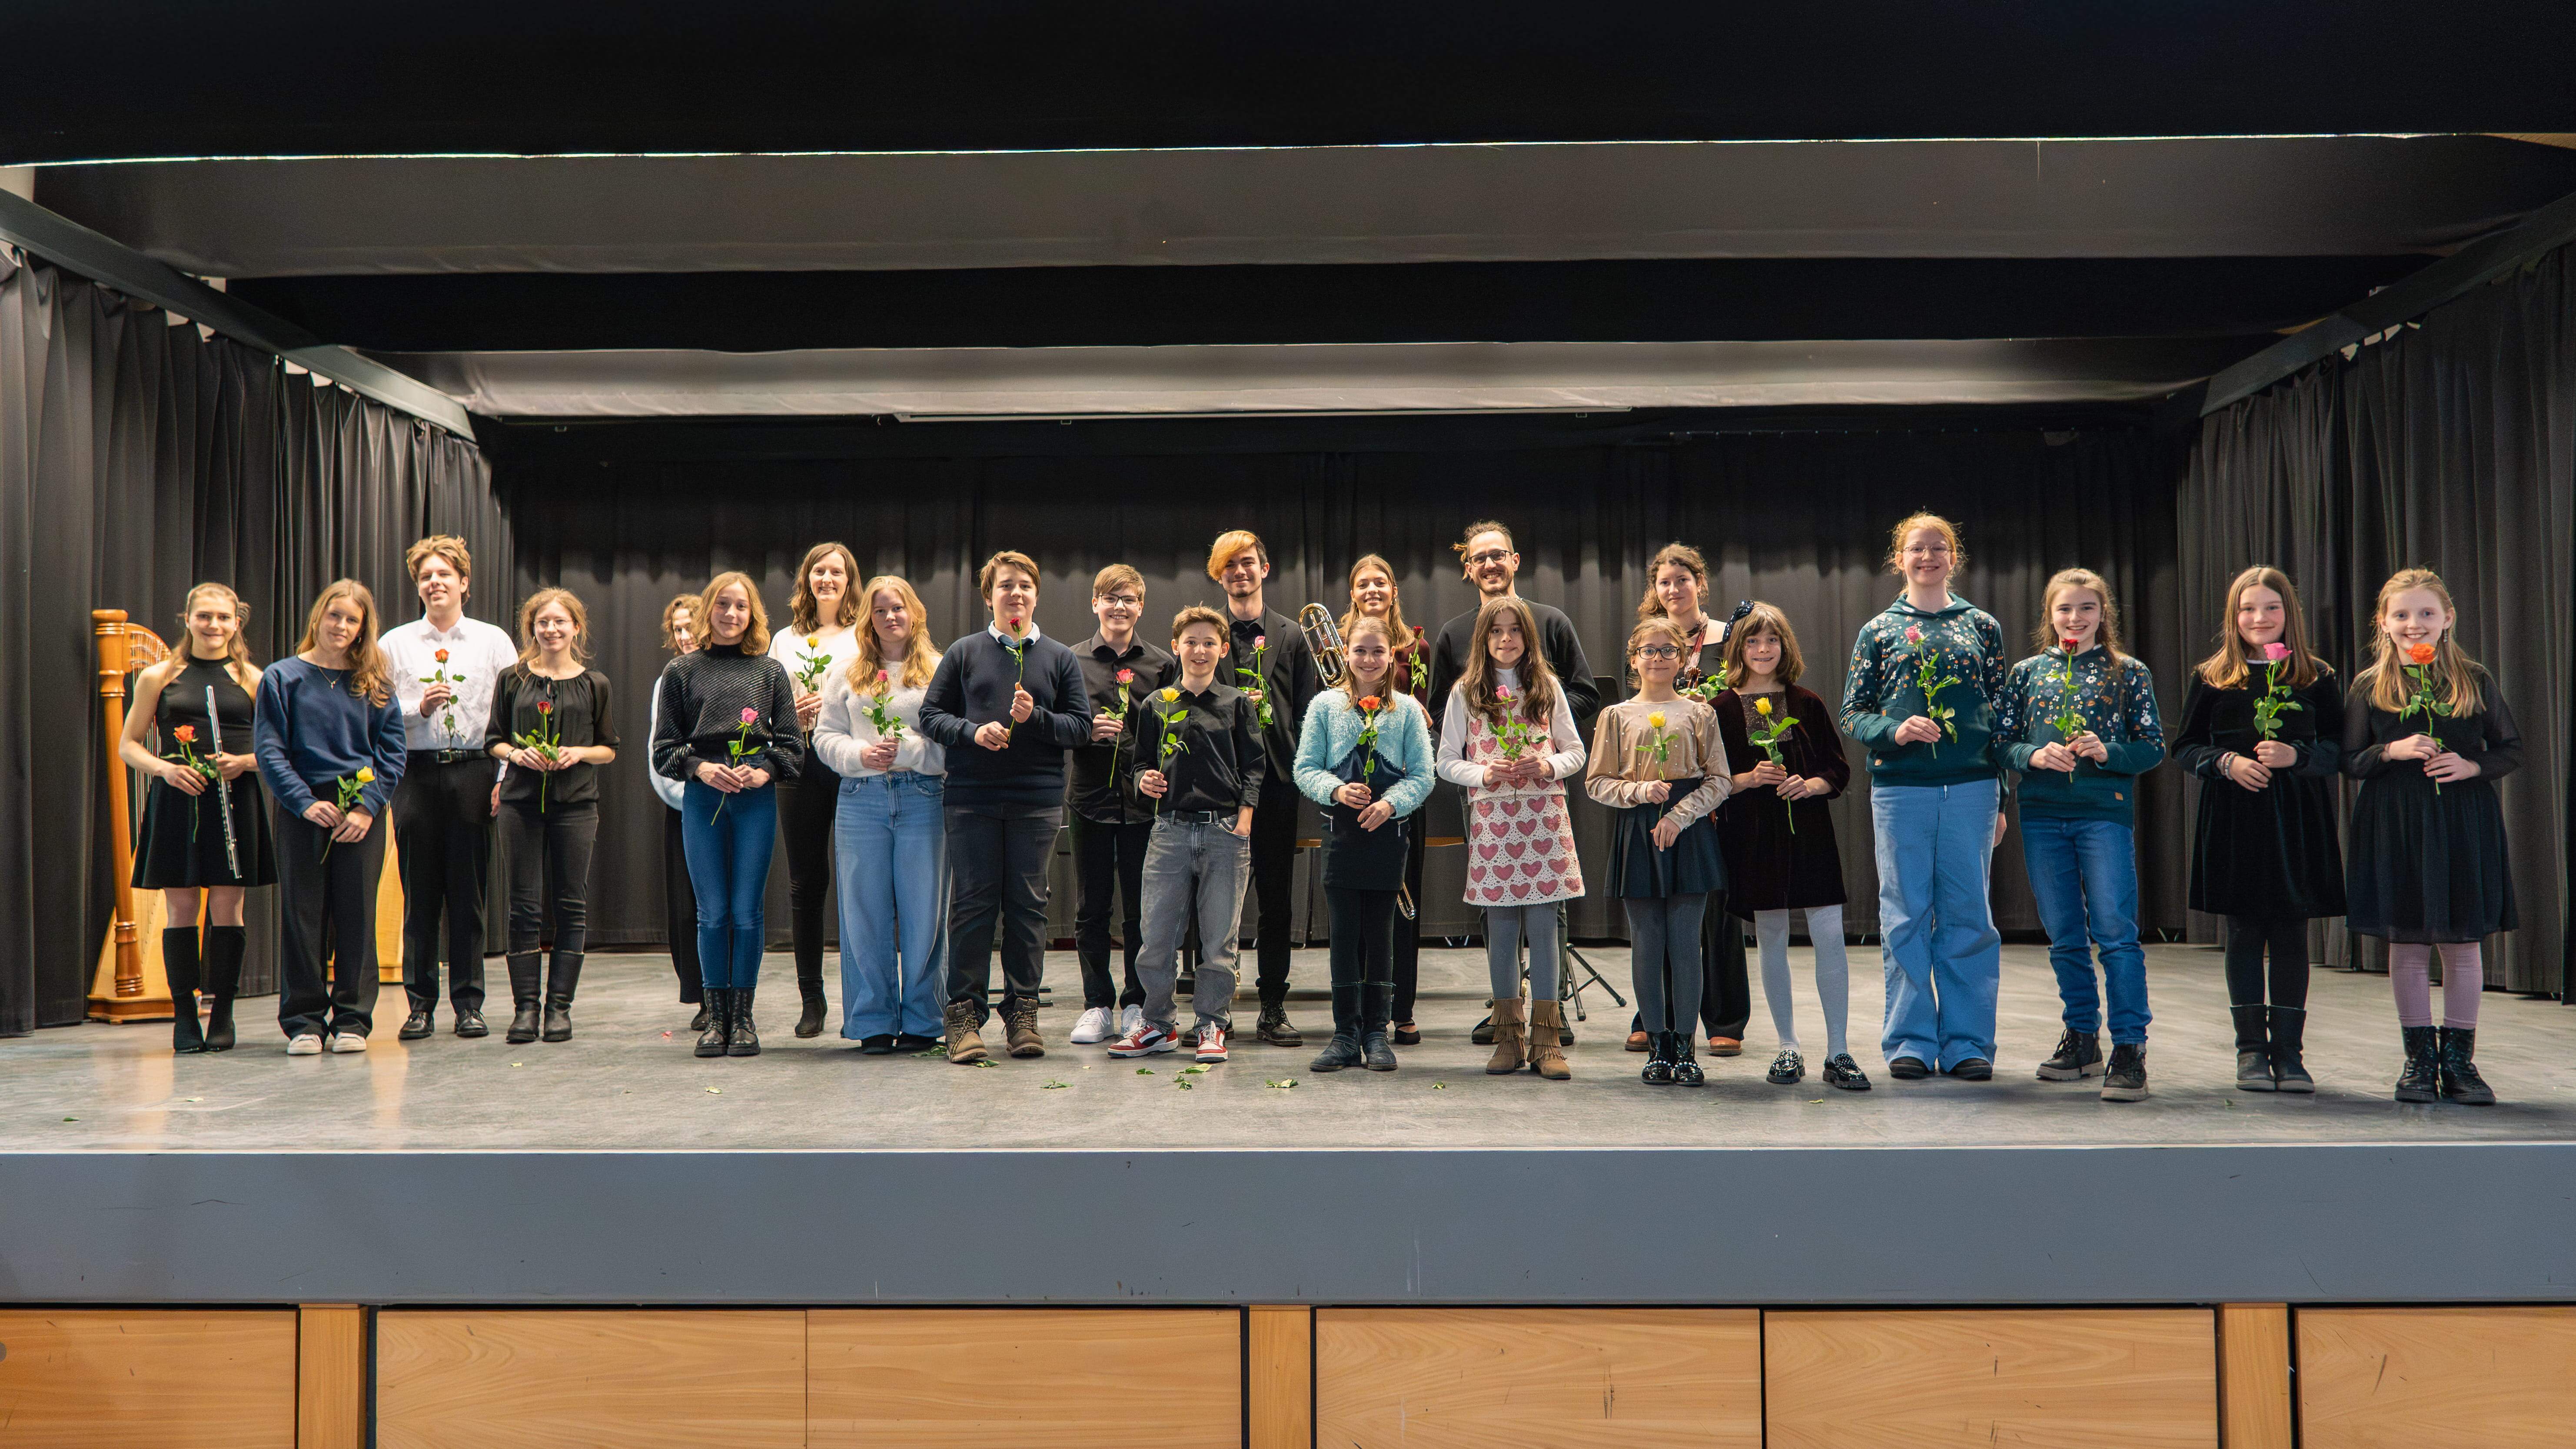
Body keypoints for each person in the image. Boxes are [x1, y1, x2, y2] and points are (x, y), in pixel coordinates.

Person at [1837, 513, 2009, 1081]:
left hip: (1972, 788)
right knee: (1904, 914)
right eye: (1916, 548)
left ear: (1953, 557)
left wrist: (2001, 798)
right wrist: (1894, 729)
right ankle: (1909, 1039)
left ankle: (1967, 1043)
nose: (1927, 556)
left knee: (1968, 915)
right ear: (1899, 558)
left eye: (1938, 547)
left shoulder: (1981, 625)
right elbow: (1851, 713)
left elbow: (2001, 717)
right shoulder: (1878, 630)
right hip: (1900, 791)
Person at [2343, 567, 2520, 1106]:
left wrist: (2471, 766)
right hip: (2395, 824)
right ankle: (2418, 1060)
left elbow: (2509, 748)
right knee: (2409, 942)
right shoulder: (2368, 684)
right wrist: (2389, 750)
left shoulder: (2472, 678)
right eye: (2400, 614)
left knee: (2462, 943)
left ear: (2447, 619)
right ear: (2383, 622)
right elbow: (2348, 759)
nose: (2413, 624)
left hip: (2462, 822)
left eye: (2425, 613)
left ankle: (2459, 1061)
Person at [1994, 569, 2166, 1102]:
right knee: (2064, 933)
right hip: (2042, 815)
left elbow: (2152, 745)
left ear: (2102, 613)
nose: (2075, 618)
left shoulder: (2127, 672)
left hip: (2101, 815)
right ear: (2049, 614)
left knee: (2115, 931)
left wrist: (2107, 751)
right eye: (2064, 608)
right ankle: (2081, 1037)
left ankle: (2129, 1047)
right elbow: (2000, 741)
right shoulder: (2026, 673)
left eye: (2086, 607)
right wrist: (2031, 755)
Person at [2171, 567, 2344, 1091]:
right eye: (2247, 608)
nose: (2258, 617)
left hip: (2296, 820)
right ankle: (2249, 1050)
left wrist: (2298, 755)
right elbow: (2184, 746)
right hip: (2233, 819)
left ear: (2288, 612)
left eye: (2270, 607)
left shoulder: (2315, 676)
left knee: (2290, 932)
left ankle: (2288, 1053)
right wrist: (2224, 762)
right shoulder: (2212, 676)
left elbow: (2340, 748)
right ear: (2233, 615)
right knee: (2243, 931)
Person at [919, 550, 1092, 1064]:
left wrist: (1035, 717)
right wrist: (972, 732)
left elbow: (1080, 728)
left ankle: (1022, 1012)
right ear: (988, 595)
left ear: (1036, 595)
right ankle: (963, 1016)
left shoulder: (1059, 657)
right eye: (1005, 585)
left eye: (1024, 585)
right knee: (972, 906)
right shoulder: (964, 652)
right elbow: (931, 716)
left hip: (1035, 801)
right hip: (971, 799)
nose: (1015, 593)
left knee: (1027, 907)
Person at [1706, 603, 1865, 1091]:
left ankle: (1838, 1049)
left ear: (1785, 646)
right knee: (1770, 934)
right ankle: (1787, 1046)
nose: (1762, 649)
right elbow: (1711, 780)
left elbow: (1837, 769)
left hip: (1809, 831)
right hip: (1752, 834)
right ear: (1738, 649)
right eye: (1752, 641)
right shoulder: (1720, 709)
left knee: (1828, 934)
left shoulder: (1807, 702)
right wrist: (1747, 778)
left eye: (1771, 640)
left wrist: (1811, 784)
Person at [120, 583, 276, 1053]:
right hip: (178, 798)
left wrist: (244, 762)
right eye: (204, 616)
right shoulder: (158, 676)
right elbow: (128, 745)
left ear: (237, 622)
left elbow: (277, 750)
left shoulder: (254, 678)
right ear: (187, 619)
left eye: (224, 617)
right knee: (182, 909)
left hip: (235, 797)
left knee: (228, 908)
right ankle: (185, 1016)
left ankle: (223, 1012)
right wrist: (165, 769)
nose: (214, 625)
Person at [653, 571, 803, 1058]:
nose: (731, 614)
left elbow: (792, 746)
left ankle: (743, 1018)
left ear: (752, 613)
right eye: (722, 604)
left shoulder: (770, 671)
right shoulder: (682, 671)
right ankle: (714, 1018)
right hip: (704, 798)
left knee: (746, 911)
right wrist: (700, 767)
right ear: (708, 611)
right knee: (713, 912)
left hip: (754, 798)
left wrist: (763, 772)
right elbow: (664, 750)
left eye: (741, 606)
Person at [1435, 595, 1585, 1079]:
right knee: (1500, 930)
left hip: (1543, 819)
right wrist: (1482, 773)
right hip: (1494, 822)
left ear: (1528, 636)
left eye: (1514, 630)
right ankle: (1508, 1038)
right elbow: (1446, 761)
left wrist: (1547, 764)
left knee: (1543, 929)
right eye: (1496, 631)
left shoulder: (1547, 686)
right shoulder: (1465, 691)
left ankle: (1546, 1041)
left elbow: (1575, 752)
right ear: (1483, 638)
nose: (1506, 638)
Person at [253, 580, 406, 1055]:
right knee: (302, 915)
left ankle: (353, 1020)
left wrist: (367, 806)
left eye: (352, 619)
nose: (341, 625)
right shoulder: (282, 677)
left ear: (363, 628)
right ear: (319, 616)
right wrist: (303, 801)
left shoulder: (374, 683)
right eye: (335, 615)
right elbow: (270, 749)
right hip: (303, 808)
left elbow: (392, 753)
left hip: (362, 810)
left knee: (357, 914)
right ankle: (304, 1022)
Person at [1109, 606, 1266, 1065]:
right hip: (1170, 831)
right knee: (1156, 936)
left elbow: (1254, 767)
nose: (1200, 650)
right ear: (1176, 647)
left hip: (1224, 832)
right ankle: (1158, 1024)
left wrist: (1244, 819)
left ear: (1223, 650)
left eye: (1209, 642)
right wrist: (1143, 779)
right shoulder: (1156, 704)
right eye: (1191, 642)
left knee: (1219, 942)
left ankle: (1211, 1024)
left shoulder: (1237, 703)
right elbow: (1138, 761)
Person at [1586, 618, 1732, 1085]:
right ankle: (1656, 1046)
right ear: (1633, 659)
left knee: (1686, 942)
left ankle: (1686, 1048)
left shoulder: (1700, 713)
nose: (1657, 658)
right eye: (1647, 650)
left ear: (1681, 659)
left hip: (1688, 830)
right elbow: (1596, 782)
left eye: (1668, 650)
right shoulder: (1615, 715)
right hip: (1637, 828)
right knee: (1647, 943)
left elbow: (1720, 780)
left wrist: (1679, 815)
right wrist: (1638, 791)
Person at [382, 535, 515, 1042]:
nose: (434, 582)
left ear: (464, 582)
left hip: (474, 770)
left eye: (443, 574)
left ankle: (469, 1004)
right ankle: (419, 1006)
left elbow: (509, 715)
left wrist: (502, 779)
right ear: (418, 586)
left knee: (468, 895)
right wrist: (417, 708)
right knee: (419, 898)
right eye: (425, 576)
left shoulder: (493, 640)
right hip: (415, 773)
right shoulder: (393, 643)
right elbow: (374, 711)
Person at [1294, 614, 1437, 1072]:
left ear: (1392, 656)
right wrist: (1337, 790)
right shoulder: (1324, 706)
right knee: (1342, 937)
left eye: (1378, 651)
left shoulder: (1407, 710)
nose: (1369, 659)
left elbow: (1423, 776)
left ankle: (1377, 1032)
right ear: (1345, 654)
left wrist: (1391, 803)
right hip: (1341, 838)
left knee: (1381, 936)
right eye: (1360, 650)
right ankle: (1344, 1034)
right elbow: (1305, 769)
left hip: (1387, 839)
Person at [813, 574, 950, 1053]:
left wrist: (908, 750)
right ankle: (871, 1020)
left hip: (922, 798)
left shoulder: (938, 670)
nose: (890, 616)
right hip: (861, 798)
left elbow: (951, 742)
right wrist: (859, 754)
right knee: (863, 914)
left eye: (898, 608)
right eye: (880, 610)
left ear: (914, 612)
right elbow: (825, 736)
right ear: (868, 619)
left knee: (924, 912)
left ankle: (923, 1020)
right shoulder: (845, 672)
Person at [485, 587, 618, 1044]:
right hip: (520, 804)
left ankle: (559, 1007)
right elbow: (493, 740)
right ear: (532, 628)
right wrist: (516, 755)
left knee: (570, 904)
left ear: (576, 628)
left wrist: (577, 752)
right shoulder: (512, 679)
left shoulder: (595, 683)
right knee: (523, 905)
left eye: (560, 621)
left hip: (575, 805)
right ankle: (526, 1008)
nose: (551, 629)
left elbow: (608, 749)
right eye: (542, 622)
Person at [1636, 541, 1753, 1056]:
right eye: (1664, 582)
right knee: (1662, 904)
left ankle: (1724, 1017)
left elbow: (1752, 700)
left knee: (1717, 907)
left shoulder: (1731, 636)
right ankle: (1656, 1016)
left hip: (1719, 782)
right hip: (1666, 786)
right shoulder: (1649, 640)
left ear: (1699, 583)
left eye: (1681, 579)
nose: (1673, 589)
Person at [1208, 530, 1324, 1047]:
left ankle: (1272, 1006)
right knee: (1216, 904)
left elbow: (1305, 712)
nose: (1240, 571)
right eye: (1229, 564)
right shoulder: (1206, 630)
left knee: (1276, 901)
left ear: (1264, 568)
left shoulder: (1291, 634)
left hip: (1276, 783)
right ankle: (1216, 1008)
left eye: (1247, 562)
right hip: (1219, 785)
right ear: (1219, 575)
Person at [1065, 564, 1173, 1045]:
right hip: (1088, 799)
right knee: (1091, 908)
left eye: (1128, 599)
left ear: (1141, 607)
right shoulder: (1070, 660)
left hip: (1143, 805)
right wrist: (1084, 732)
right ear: (1095, 604)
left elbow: (1175, 732)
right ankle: (1096, 1004)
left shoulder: (1162, 664)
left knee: (1140, 910)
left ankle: (1135, 1003)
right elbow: (1056, 725)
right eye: (1110, 598)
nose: (1119, 607)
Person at [769, 541, 864, 1038]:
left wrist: (833, 709)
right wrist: (792, 713)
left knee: (857, 883)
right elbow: (766, 702)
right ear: (806, 579)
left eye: (836, 572)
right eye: (818, 571)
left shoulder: (863, 633)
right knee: (805, 883)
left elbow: (877, 692)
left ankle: (863, 997)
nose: (827, 579)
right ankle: (812, 997)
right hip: (798, 764)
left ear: (849, 580)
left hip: (848, 763)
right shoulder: (784, 639)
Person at [1343, 554, 1435, 1044]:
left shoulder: (1416, 647)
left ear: (1394, 590)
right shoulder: (1338, 646)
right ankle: (1357, 1007)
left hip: (1400, 787)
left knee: (1403, 898)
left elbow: (1426, 714)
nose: (1372, 590)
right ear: (1352, 593)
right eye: (1363, 584)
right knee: (1355, 900)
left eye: (1381, 581)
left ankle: (1401, 1007)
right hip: (1352, 788)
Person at [1428, 520, 1599, 729]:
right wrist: (1482, 730)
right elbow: (1439, 710)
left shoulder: (1553, 622)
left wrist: (1535, 721)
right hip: (1479, 752)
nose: (1489, 565)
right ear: (1470, 570)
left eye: (1498, 555)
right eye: (1480, 559)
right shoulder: (1452, 634)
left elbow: (1585, 695)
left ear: (1515, 561)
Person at [648, 594, 709, 1030]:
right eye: (678, 629)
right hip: (686, 806)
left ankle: (731, 993)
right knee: (687, 908)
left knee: (725, 907)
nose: (685, 635)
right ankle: (703, 996)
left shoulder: (741, 670)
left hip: (730, 802)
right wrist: (688, 796)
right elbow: (661, 752)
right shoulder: (668, 679)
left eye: (691, 626)